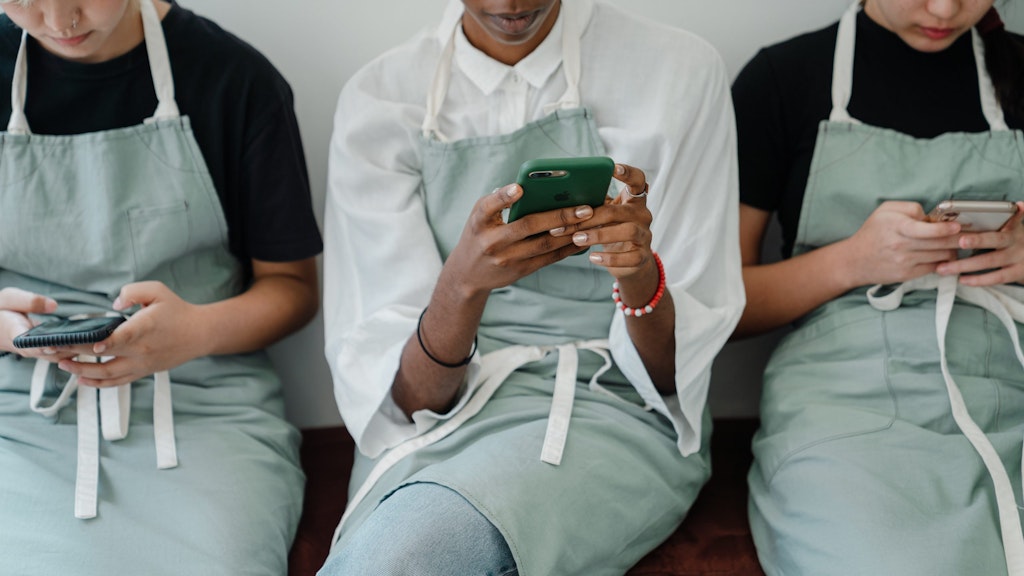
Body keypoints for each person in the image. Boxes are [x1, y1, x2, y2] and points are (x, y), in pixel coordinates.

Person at [321, 0, 744, 574]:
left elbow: (674, 383)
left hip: (613, 407)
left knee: (416, 549)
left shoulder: (679, 72)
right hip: (437, 422)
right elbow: (408, 406)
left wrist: (638, 271)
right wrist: (460, 287)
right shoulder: (380, 100)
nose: (512, 5)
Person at [0, 0, 322, 574]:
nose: (58, 21)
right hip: (17, 415)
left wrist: (195, 332)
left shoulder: (236, 79)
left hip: (203, 404)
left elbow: (293, 287)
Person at [732, 0, 1024, 573]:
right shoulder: (783, 78)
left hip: (1008, 372)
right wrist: (855, 261)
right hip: (848, 399)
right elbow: (725, 309)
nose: (943, 9)